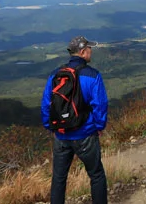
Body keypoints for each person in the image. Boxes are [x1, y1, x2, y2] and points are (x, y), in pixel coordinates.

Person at [42, 35, 110, 204]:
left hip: (62, 135)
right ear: (82, 52)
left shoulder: (55, 75)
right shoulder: (93, 75)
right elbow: (100, 105)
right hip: (85, 133)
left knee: (59, 178)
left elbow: (46, 105)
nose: (91, 51)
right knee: (96, 175)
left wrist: (51, 127)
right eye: (89, 49)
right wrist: (99, 126)